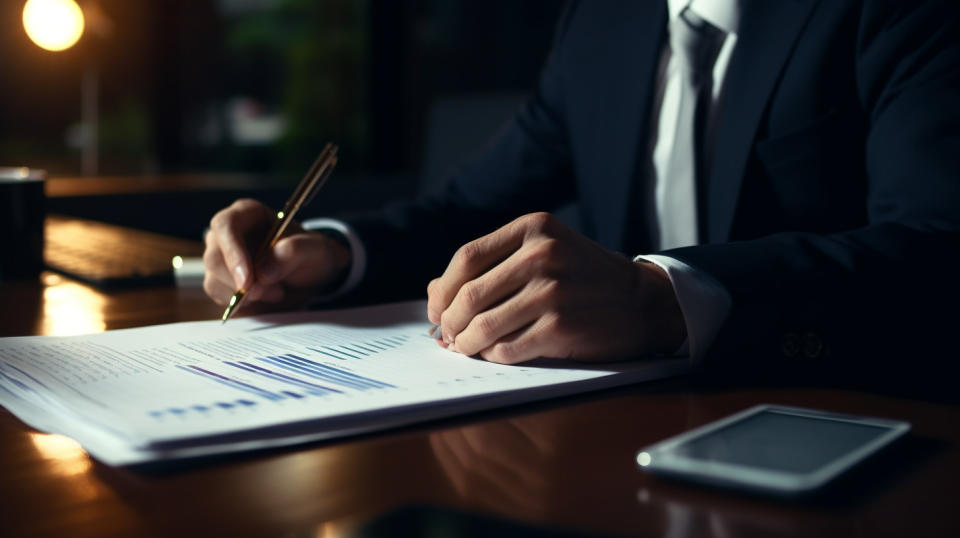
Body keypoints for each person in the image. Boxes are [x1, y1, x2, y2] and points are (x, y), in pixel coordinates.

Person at [203, 1, 960, 383]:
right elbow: (466, 212)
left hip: (851, 411)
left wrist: (661, 299)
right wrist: (329, 253)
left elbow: (936, 250)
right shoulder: (606, 21)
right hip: (611, 432)